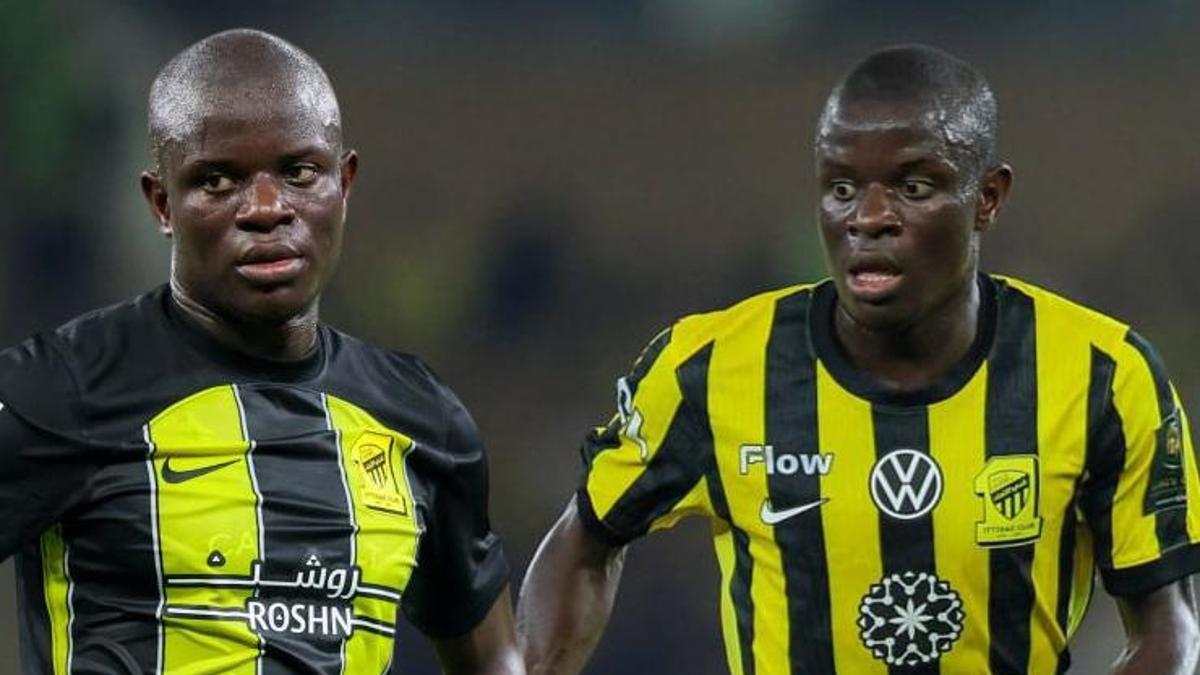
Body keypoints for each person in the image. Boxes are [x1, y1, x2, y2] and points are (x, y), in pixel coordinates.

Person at [517, 44, 1200, 674]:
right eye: (841, 188)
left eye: (913, 187)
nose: (868, 217)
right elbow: (586, 537)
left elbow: (1170, 630)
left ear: (987, 197)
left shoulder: (1104, 375)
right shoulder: (712, 367)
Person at [0, 29, 521, 675]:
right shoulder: (61, 390)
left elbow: (496, 658)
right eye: (218, 180)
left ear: (345, 183)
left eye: (300, 173)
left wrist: (587, 542)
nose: (268, 209)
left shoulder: (422, 420)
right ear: (163, 203)